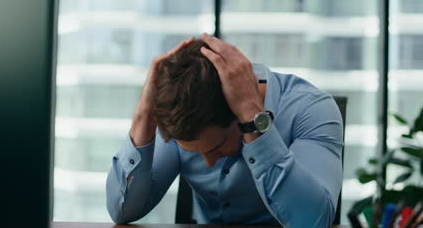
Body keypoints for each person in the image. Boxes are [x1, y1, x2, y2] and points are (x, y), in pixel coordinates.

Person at [106, 33, 344, 228]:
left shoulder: (309, 109)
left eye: (215, 147)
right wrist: (143, 117)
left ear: (237, 113)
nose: (208, 163)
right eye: (194, 152)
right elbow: (122, 211)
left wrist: (254, 120)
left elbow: (313, 223)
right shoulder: (182, 112)